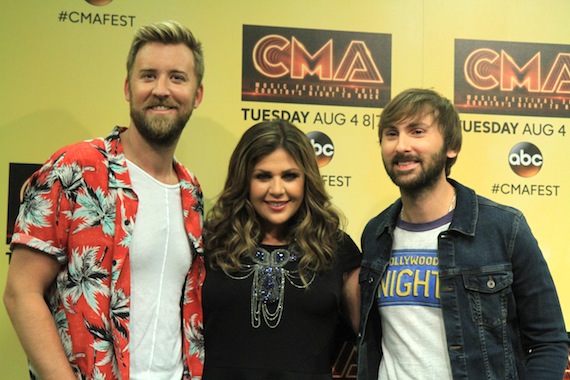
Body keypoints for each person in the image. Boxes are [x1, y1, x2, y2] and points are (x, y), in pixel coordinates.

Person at [3, 20, 206, 379]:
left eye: (177, 77)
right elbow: (21, 292)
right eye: (148, 76)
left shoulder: (191, 191)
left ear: (197, 94)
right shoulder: (76, 167)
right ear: (128, 88)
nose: (161, 89)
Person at [357, 88, 569, 379]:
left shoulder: (504, 228)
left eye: (417, 131)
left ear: (451, 146)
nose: (401, 145)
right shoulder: (376, 233)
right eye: (391, 134)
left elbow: (549, 341)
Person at [202, 119, 361, 379]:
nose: (277, 190)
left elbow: (370, 338)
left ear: (307, 179)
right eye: (263, 176)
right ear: (244, 180)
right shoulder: (210, 243)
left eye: (290, 176)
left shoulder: (337, 248)